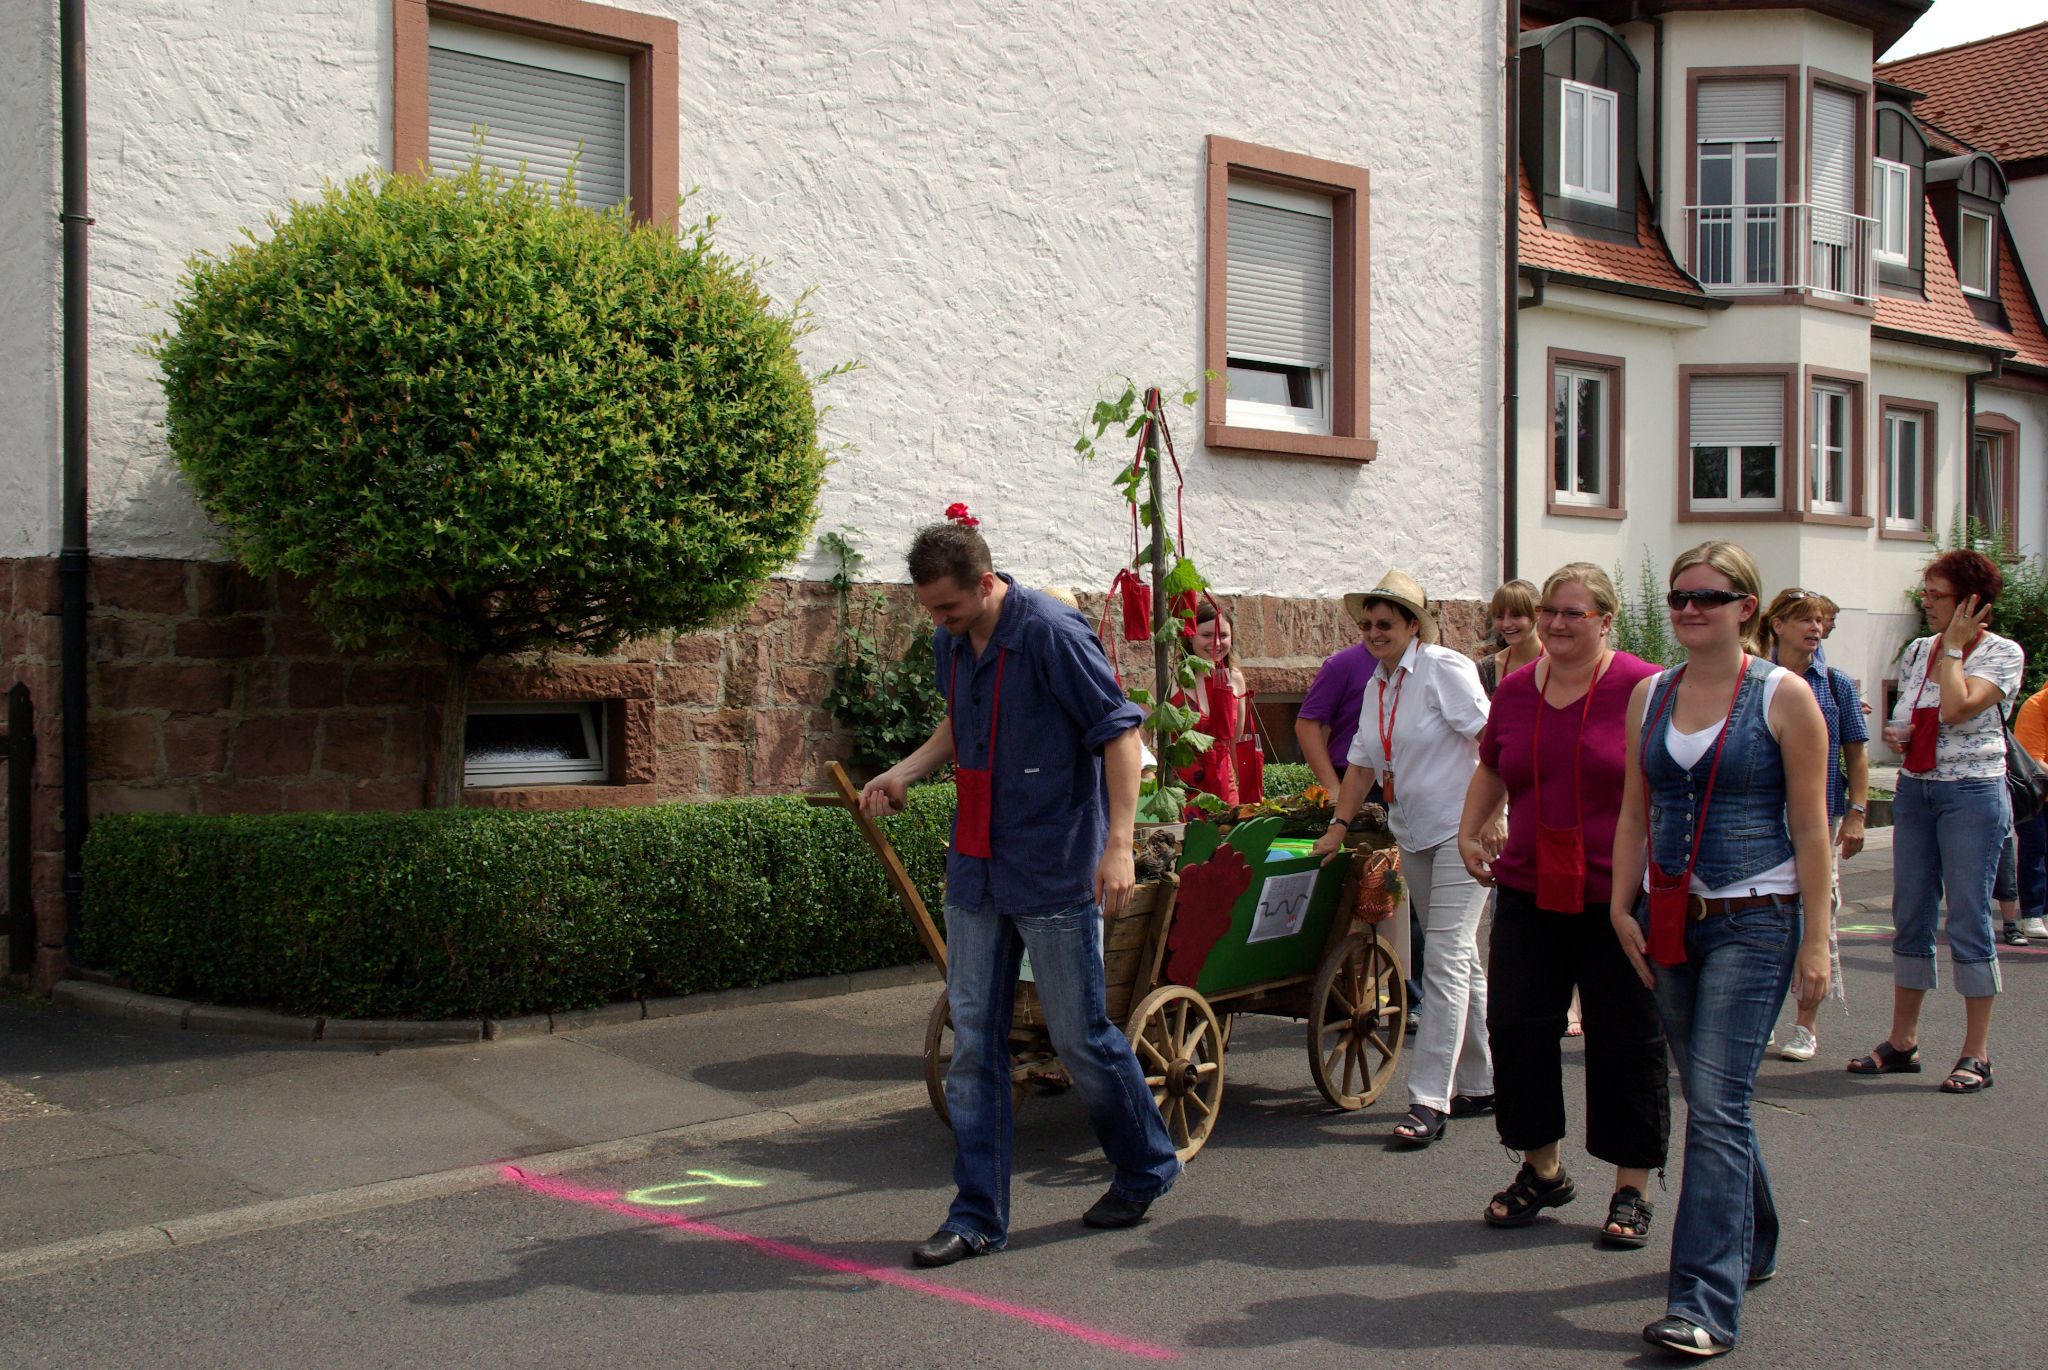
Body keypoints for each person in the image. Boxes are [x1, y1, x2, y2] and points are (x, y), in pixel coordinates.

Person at [860, 517, 1180, 1267]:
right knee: (974, 1043)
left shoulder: (1052, 634)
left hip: (1055, 864)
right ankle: (976, 1216)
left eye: (948, 609)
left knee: (1080, 1038)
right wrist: (905, 771)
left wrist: (1120, 846)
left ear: (986, 581)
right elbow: (958, 728)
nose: (938, 624)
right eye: (930, 611)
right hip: (977, 864)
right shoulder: (951, 638)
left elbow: (1120, 735)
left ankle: (1146, 1165)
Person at [1610, 540, 1833, 1358]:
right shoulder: (1650, 695)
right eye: (1677, 597)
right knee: (1713, 1100)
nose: (1688, 609)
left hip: (1757, 917)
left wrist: (1818, 940)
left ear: (1747, 606)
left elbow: (1811, 826)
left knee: (1716, 1101)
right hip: (1669, 917)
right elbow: (1636, 811)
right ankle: (1755, 1239)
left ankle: (1704, 1300)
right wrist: (1618, 904)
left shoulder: (1785, 695)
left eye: (1706, 596)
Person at [1457, 564, 1669, 1245]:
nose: (1554, 622)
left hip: (1619, 895)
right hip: (1528, 885)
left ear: (1607, 620)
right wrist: (1469, 830)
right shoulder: (1516, 690)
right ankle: (1542, 1171)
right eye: (1550, 609)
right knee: (1517, 1028)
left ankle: (1631, 1189)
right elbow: (1493, 764)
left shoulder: (1646, 686)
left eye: (1573, 613)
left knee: (1626, 1040)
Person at [1312, 570, 1493, 1147]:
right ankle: (1483, 1080)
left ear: (1414, 624)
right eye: (1366, 624)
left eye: (1384, 623)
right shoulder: (1376, 685)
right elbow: (1362, 763)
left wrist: (1496, 816)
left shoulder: (1445, 669)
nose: (1373, 632)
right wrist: (1338, 826)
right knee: (1461, 958)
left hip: (1461, 832)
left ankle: (1428, 1101)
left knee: (1443, 957)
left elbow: (1492, 741)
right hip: (1412, 832)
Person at [1851, 549, 2025, 1094]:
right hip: (1918, 788)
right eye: (1925, 593)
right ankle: (1903, 1042)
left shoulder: (2001, 653)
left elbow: (1957, 708)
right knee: (1911, 911)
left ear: (1973, 603)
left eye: (1938, 596)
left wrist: (1952, 651)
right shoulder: (1917, 650)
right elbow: (1906, 717)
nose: (1926, 603)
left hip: (1972, 793)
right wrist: (1899, 732)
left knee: (1969, 914)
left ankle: (1977, 1053)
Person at [1759, 589, 1869, 1063]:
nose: (1816, 629)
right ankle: (1758, 1017)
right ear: (1777, 624)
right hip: (1763, 814)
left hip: (1820, 816)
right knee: (1761, 917)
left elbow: (1856, 753)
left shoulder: (1836, 684)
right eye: (1805, 619)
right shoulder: (1756, 676)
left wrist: (1859, 813)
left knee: (1817, 915)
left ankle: (1805, 1025)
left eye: (1821, 621)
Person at [1176, 599, 1261, 808]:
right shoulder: (1169, 681)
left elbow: (1236, 744)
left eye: (1223, 635)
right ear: (1189, 637)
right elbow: (1140, 739)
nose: (1216, 643)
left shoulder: (1235, 678)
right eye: (1206, 635)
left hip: (1225, 790)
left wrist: (1249, 796)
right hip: (1181, 791)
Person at [2012, 680, 2048, 941]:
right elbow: (2034, 762)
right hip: (2035, 794)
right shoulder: (2035, 707)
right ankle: (2032, 914)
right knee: (2035, 847)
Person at [1477, 578, 1544, 698]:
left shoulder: (1559, 664)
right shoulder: (1487, 669)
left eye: (1516, 615)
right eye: (1500, 616)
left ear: (1538, 613)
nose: (1506, 624)